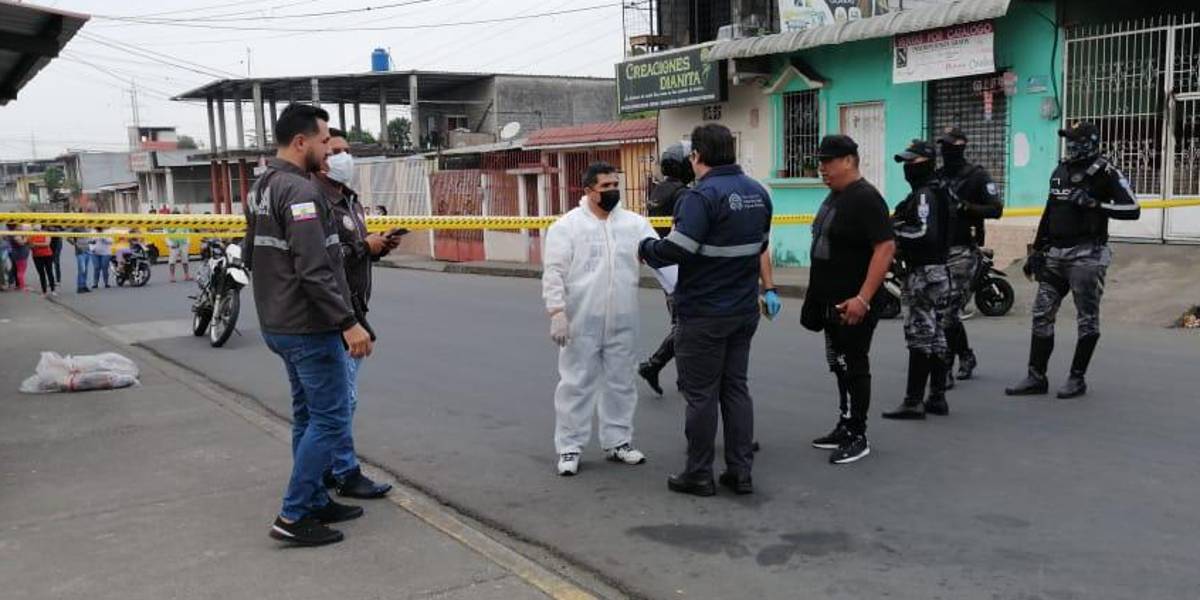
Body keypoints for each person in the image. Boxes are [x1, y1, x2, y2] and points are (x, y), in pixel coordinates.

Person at [243, 103, 374, 546]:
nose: (329, 150)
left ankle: (316, 498)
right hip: (308, 325)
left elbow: (251, 254)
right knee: (332, 418)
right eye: (323, 141)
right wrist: (348, 322)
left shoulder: (261, 187)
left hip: (280, 322)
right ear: (301, 142)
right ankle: (294, 513)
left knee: (307, 415)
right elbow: (314, 267)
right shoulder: (300, 192)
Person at [639, 124, 773, 496]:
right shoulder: (758, 193)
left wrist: (646, 248)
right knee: (736, 390)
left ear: (696, 156)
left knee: (700, 395)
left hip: (703, 313)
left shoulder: (700, 197)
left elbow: (678, 248)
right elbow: (761, 245)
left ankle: (699, 473)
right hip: (743, 310)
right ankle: (740, 472)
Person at [1006, 122, 1141, 399]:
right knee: (1042, 313)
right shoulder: (1061, 170)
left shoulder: (1106, 172)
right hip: (1055, 255)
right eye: (1068, 140)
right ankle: (1036, 376)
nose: (1070, 146)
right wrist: (1036, 250)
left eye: (1076, 141)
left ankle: (1076, 378)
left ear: (1090, 142)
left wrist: (1095, 204)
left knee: (1087, 319)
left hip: (1087, 255)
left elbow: (1132, 209)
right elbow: (1049, 211)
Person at [638, 144, 782, 397]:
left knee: (680, 324)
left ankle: (669, 370)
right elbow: (688, 239)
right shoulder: (687, 195)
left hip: (666, 268)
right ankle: (663, 369)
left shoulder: (659, 191)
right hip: (686, 270)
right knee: (683, 327)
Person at [542, 161, 657, 477]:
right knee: (576, 384)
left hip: (623, 318)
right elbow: (554, 272)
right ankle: (569, 447)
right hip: (583, 320)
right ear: (588, 190)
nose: (612, 191)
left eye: (615, 185)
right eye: (605, 186)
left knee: (621, 383)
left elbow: (658, 256)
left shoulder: (634, 224)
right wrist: (557, 312)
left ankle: (618, 441)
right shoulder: (568, 227)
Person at [800, 135, 895, 465]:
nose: (822, 169)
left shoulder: (866, 198)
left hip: (854, 302)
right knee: (838, 363)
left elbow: (885, 247)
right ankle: (845, 422)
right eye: (820, 162)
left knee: (854, 364)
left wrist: (863, 298)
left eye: (828, 162)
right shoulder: (835, 196)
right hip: (829, 300)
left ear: (849, 161)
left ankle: (858, 433)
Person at [315, 128, 398, 499]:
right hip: (336, 314)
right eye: (335, 151)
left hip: (354, 308)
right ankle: (343, 471)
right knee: (341, 401)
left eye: (347, 150)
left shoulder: (348, 200)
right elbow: (323, 260)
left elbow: (352, 253)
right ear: (318, 156)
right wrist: (365, 246)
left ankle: (327, 468)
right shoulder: (316, 201)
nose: (343, 157)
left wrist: (377, 247)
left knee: (339, 401)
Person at [881, 140, 954, 420]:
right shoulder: (938, 190)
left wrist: (894, 235)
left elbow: (925, 233)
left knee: (920, 336)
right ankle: (937, 397)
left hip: (924, 273)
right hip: (939, 271)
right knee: (935, 336)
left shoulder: (925, 195)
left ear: (927, 163)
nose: (907, 168)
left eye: (912, 162)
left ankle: (913, 401)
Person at [935, 128, 1003, 386]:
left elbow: (996, 209)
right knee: (945, 312)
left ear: (961, 147)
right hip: (938, 250)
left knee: (947, 311)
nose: (945, 151)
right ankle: (965, 354)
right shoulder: (938, 176)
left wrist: (966, 207)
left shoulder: (977, 176)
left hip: (963, 250)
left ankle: (945, 368)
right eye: (942, 146)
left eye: (949, 146)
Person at [29, 227, 57, 297]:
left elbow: (47, 244)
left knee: (49, 272)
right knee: (41, 274)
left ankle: (53, 290)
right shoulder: (31, 235)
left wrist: (35, 244)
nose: (36, 229)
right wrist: (36, 245)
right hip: (37, 256)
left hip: (47, 255)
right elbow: (30, 245)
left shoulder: (45, 233)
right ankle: (44, 291)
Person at [166, 215, 191, 283]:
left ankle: (187, 275)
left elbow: (187, 233)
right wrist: (171, 244)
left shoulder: (183, 224)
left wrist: (187, 243)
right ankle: (172, 276)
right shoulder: (168, 225)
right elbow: (166, 235)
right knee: (172, 261)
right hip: (174, 245)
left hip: (183, 244)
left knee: (185, 260)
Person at [6, 224, 30, 291]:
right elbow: (21, 243)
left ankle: (20, 284)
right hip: (20, 255)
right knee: (20, 271)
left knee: (19, 270)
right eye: (19, 226)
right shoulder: (15, 234)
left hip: (20, 254)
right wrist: (26, 237)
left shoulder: (17, 233)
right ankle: (21, 286)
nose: (21, 227)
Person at [71, 226, 92, 294]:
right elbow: (68, 237)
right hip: (80, 252)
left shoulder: (88, 227)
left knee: (86, 270)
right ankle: (79, 287)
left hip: (87, 250)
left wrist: (91, 243)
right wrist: (75, 244)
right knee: (82, 269)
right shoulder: (76, 228)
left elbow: (88, 238)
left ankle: (84, 285)